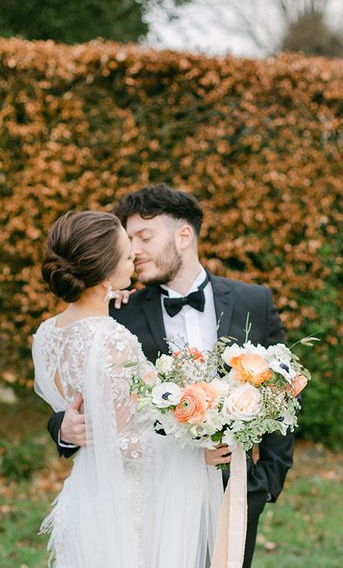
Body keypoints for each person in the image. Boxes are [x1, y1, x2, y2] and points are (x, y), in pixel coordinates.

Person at [48, 185, 294, 568]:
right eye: (128, 241)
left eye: (144, 237)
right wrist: (63, 427)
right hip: (156, 498)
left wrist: (262, 486)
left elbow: (282, 391)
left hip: (235, 495)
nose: (134, 250)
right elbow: (83, 386)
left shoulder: (253, 302)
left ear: (184, 236)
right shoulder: (116, 312)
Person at [33, 209, 222, 568]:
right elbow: (121, 443)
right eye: (125, 253)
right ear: (105, 274)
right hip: (128, 505)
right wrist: (193, 451)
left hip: (86, 499)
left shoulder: (46, 335)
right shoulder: (111, 339)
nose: (133, 255)